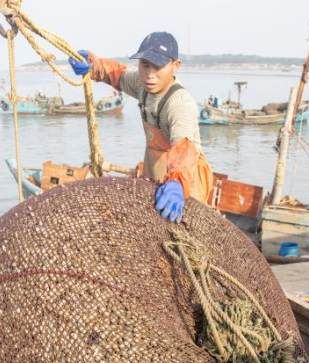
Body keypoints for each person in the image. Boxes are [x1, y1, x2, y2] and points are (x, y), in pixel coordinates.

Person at [68, 32, 213, 223]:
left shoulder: (180, 104)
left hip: (186, 183)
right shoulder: (142, 84)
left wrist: (177, 184)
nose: (150, 74)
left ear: (175, 65)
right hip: (155, 175)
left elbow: (184, 148)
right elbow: (117, 75)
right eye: (145, 64)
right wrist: (93, 64)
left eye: (158, 66)